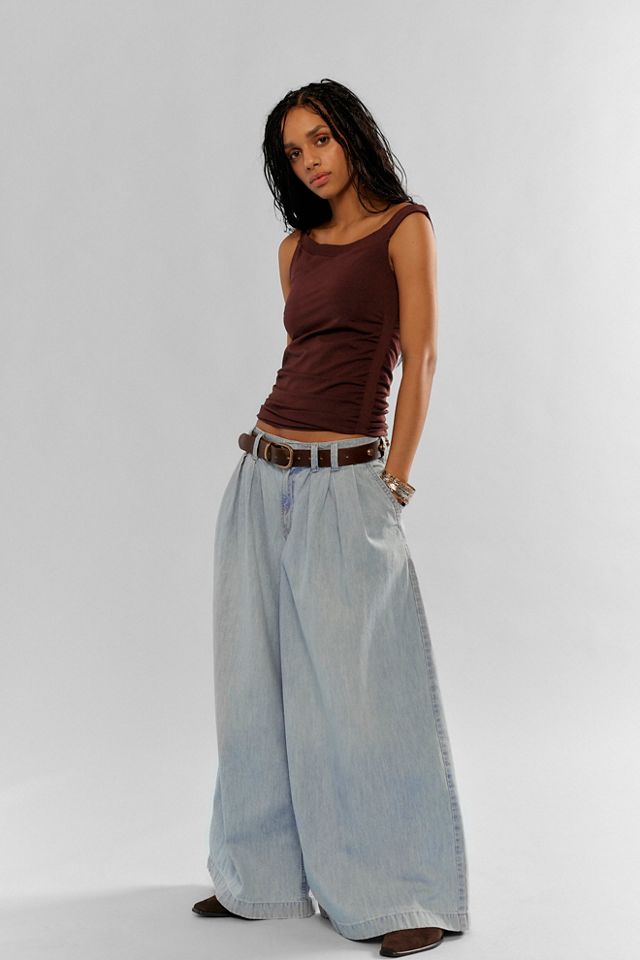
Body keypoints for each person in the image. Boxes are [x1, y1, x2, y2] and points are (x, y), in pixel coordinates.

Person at [192, 78, 470, 957]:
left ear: (351, 134)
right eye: (293, 150)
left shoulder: (405, 227)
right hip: (261, 472)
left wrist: (395, 484)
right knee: (252, 684)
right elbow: (301, 355)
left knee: (365, 694)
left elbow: (422, 358)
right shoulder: (295, 250)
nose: (309, 160)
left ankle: (404, 890)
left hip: (346, 479)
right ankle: (260, 878)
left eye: (320, 139)